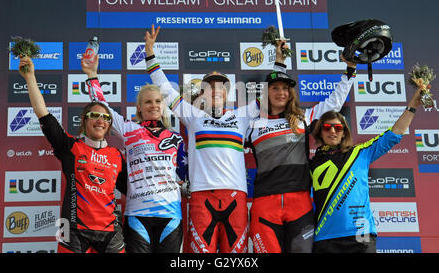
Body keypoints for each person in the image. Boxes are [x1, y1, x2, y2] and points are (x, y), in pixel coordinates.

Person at [143, 25, 286, 253]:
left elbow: (271, 92)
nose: (216, 89)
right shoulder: (193, 115)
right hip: (201, 195)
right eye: (210, 86)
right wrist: (150, 54)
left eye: (221, 86)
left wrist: (279, 59)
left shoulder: (241, 116)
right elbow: (166, 90)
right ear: (203, 93)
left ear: (227, 93)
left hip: (235, 195)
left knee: (236, 255)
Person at [246, 42, 357, 253]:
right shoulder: (251, 123)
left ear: (291, 93)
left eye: (286, 89)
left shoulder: (302, 118)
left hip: (300, 202)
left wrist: (350, 71)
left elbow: (335, 102)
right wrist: (279, 61)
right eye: (275, 88)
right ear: (265, 93)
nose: (281, 92)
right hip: (264, 203)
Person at [18, 56, 128, 253]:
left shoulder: (117, 155)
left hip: (110, 230)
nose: (100, 120)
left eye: (105, 117)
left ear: (109, 125)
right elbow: (42, 112)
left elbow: (134, 188)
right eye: (94, 115)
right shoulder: (70, 146)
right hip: (71, 228)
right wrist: (30, 78)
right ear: (84, 121)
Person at [83, 57, 187, 253]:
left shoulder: (177, 138)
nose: (153, 105)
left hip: (171, 215)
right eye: (147, 102)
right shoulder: (130, 130)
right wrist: (92, 76)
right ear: (139, 107)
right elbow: (103, 108)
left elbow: (184, 176)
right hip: (137, 214)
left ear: (164, 106)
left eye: (158, 101)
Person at [309, 85, 424, 253]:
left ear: (344, 132)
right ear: (320, 132)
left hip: (360, 236)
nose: (333, 131)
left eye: (338, 128)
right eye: (327, 127)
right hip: (325, 238)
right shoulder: (311, 164)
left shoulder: (360, 153)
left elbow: (394, 134)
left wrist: (413, 104)